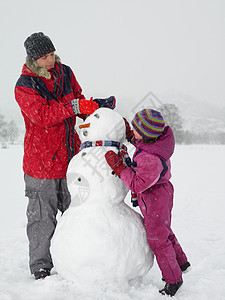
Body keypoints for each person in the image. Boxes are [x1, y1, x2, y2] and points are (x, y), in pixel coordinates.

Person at [15, 32, 115, 280]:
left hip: (72, 161)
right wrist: (74, 107)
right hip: (41, 165)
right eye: (44, 57)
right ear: (32, 59)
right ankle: (41, 266)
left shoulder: (66, 73)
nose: (51, 60)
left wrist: (94, 107)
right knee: (42, 220)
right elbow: (43, 117)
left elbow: (78, 101)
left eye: (51, 54)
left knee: (79, 215)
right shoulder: (24, 86)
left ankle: (78, 261)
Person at [105, 109, 190, 297]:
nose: (133, 133)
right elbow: (141, 142)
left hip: (155, 198)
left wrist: (119, 167)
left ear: (146, 134)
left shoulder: (151, 158)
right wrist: (129, 133)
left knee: (158, 240)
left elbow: (137, 183)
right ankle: (181, 263)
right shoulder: (154, 144)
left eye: (135, 129)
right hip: (158, 195)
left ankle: (173, 279)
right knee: (164, 230)